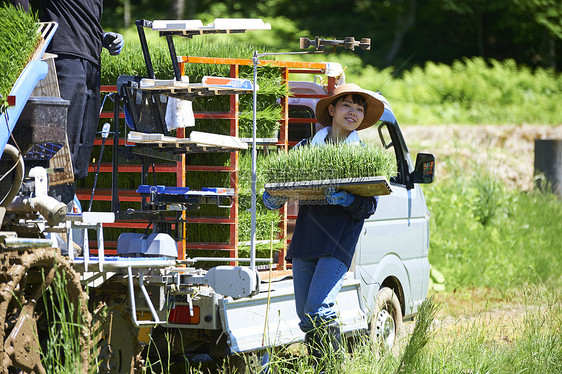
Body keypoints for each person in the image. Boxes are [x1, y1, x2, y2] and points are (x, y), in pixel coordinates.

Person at [263, 83, 384, 369]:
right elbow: (284, 184)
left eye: (359, 108)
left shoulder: (363, 156)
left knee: (320, 308)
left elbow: (370, 206)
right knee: (306, 317)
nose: (353, 112)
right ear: (332, 109)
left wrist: (347, 199)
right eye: (347, 106)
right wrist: (273, 197)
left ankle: (333, 366)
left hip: (339, 241)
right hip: (306, 239)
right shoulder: (307, 148)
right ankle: (321, 367)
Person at [11, 0, 124, 204]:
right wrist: (25, 37)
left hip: (92, 60)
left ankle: (65, 199)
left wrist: (102, 37)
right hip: (64, 57)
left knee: (81, 149)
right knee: (60, 145)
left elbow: (80, 18)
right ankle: (44, 201)